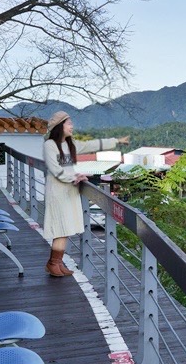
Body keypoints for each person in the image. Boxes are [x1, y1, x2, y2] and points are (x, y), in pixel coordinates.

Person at [42, 111, 128, 277]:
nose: (72, 126)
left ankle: (56, 262)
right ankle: (53, 263)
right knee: (60, 228)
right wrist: (74, 176)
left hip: (69, 190)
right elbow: (55, 170)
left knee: (65, 229)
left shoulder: (69, 144)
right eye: (69, 123)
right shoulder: (50, 145)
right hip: (58, 192)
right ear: (60, 126)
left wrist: (116, 141)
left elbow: (91, 145)